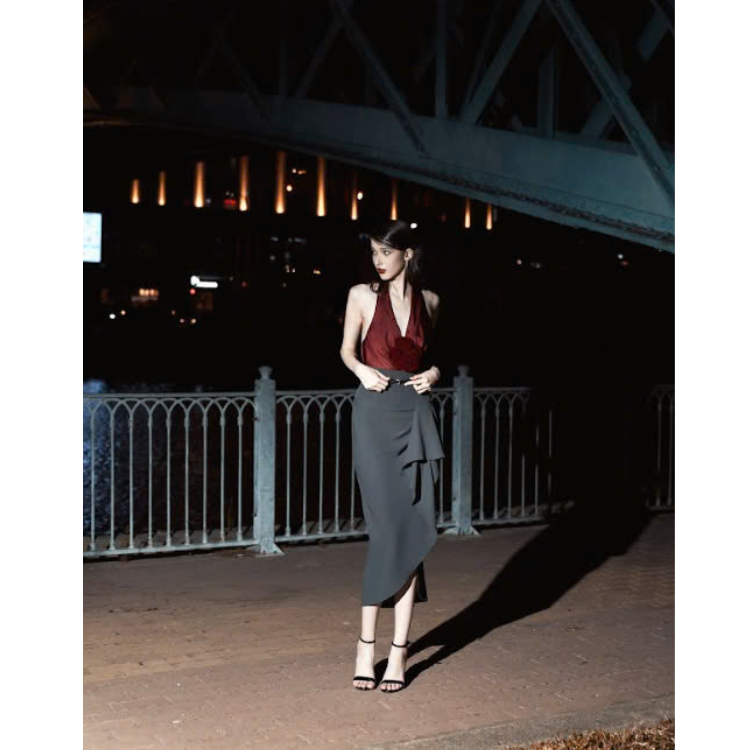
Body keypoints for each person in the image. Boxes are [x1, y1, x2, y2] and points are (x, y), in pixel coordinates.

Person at [339, 219, 444, 692]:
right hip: (375, 414)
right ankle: (366, 646)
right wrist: (361, 370)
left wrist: (435, 373)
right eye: (374, 252)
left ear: (408, 254)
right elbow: (346, 350)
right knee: (385, 530)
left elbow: (435, 356)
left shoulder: (431, 301)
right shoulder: (361, 296)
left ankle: (398, 653)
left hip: (415, 415)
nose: (378, 260)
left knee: (411, 529)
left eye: (386, 252)